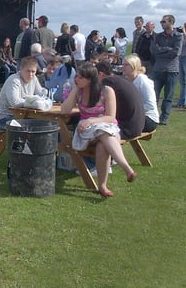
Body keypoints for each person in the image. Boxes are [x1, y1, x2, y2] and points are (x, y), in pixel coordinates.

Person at [61, 62, 137, 197]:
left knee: (103, 144)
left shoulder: (107, 91)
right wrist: (75, 89)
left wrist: (92, 120)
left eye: (80, 77)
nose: (76, 79)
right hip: (87, 132)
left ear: (90, 79)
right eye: (76, 77)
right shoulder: (79, 92)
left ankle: (102, 185)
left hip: (107, 127)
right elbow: (65, 110)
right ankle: (126, 167)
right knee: (103, 133)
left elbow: (110, 117)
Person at [96, 61, 144, 140]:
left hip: (127, 128)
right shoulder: (122, 79)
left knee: (94, 131)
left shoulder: (108, 82)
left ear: (101, 74)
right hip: (138, 125)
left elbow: (99, 105)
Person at [0, 57, 45, 129]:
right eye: (28, 71)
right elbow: (14, 102)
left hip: (24, 116)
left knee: (46, 125)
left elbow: (41, 95)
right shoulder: (14, 80)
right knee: (28, 130)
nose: (30, 74)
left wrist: (44, 95)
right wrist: (32, 102)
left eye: (33, 71)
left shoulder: (34, 79)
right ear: (21, 69)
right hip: (5, 118)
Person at [151, 14, 183, 125]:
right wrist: (167, 49)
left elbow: (176, 52)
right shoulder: (158, 36)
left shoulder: (178, 36)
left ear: (171, 22)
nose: (161, 23)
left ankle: (164, 118)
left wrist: (161, 50)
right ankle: (153, 116)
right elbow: (153, 50)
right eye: (161, 21)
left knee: (168, 96)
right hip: (158, 69)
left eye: (164, 21)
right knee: (153, 95)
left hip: (171, 70)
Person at [122, 54, 159, 133]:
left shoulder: (142, 81)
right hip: (134, 116)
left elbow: (150, 105)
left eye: (126, 65)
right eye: (123, 64)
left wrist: (133, 112)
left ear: (134, 66)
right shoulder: (126, 80)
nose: (123, 67)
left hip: (149, 119)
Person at [177, 21, 186, 109]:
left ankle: (185, 101)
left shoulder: (185, 35)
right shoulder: (182, 36)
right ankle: (182, 101)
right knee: (182, 81)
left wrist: (184, 32)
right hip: (181, 57)